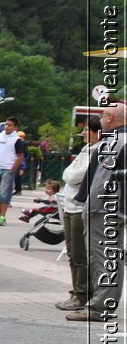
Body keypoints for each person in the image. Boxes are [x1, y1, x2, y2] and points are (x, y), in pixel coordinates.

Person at [74, 103, 125, 322]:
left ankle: (99, 307)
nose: (100, 119)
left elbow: (100, 180)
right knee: (112, 257)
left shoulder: (114, 142)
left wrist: (88, 206)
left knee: (102, 257)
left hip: (103, 209)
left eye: (103, 115)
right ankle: (104, 304)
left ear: (110, 118)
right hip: (116, 209)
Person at [56, 117, 103, 312]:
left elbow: (76, 176)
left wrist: (71, 176)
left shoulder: (100, 151)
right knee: (72, 254)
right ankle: (77, 291)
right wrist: (71, 176)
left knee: (79, 254)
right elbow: (67, 174)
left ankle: (82, 294)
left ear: (97, 132)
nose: (83, 133)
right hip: (69, 205)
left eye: (86, 130)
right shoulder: (85, 150)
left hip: (80, 207)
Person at [0, 116, 23, 224]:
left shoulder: (17, 140)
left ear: (15, 127)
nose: (7, 127)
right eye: (6, 124)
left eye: (10, 125)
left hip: (7, 169)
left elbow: (20, 156)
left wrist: (12, 169)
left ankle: (3, 216)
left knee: (4, 194)